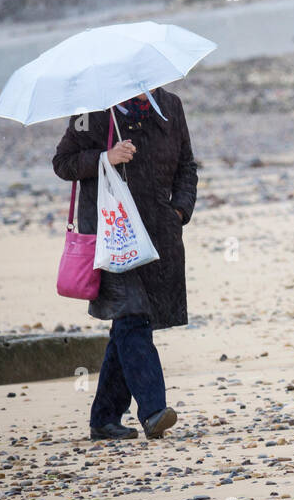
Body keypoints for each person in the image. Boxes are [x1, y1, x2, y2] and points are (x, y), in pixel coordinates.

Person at [53, 88, 197, 440]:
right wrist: (106, 157)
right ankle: (153, 411)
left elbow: (187, 167)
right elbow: (63, 163)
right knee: (133, 316)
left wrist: (179, 210)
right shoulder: (93, 110)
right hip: (110, 234)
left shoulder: (170, 107)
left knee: (127, 325)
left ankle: (104, 418)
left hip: (158, 235)